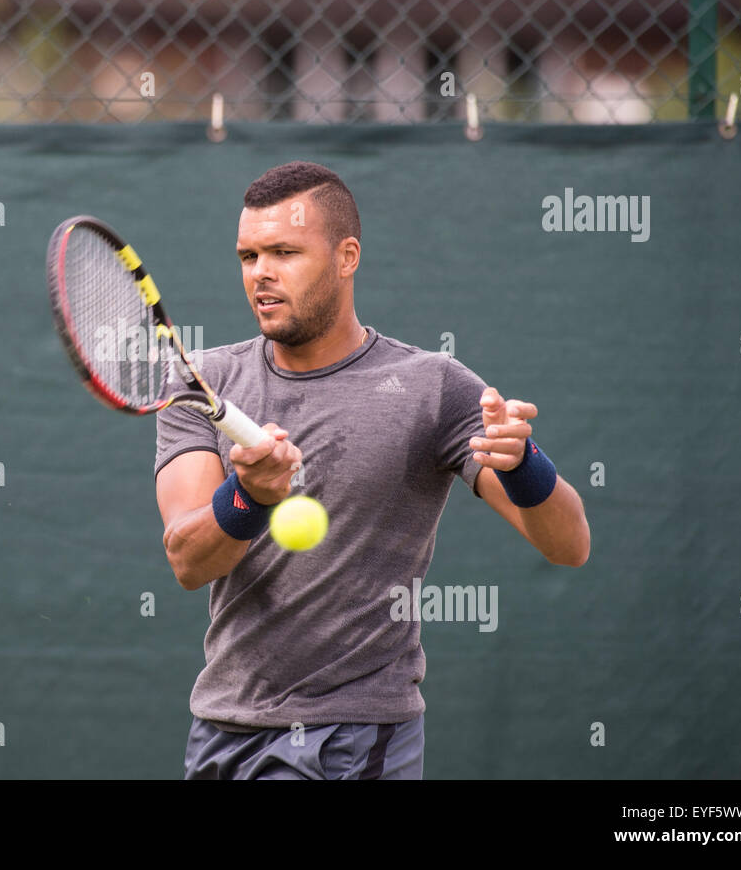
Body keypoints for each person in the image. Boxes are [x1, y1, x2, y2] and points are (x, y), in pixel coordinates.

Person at [153, 161, 591, 780]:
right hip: (223, 731)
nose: (262, 274)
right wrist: (249, 497)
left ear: (346, 256)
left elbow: (569, 543)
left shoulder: (432, 387)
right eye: (249, 256)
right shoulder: (201, 383)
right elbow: (188, 560)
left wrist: (523, 463)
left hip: (351, 738)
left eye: (284, 252)